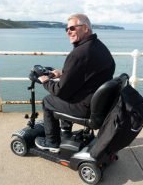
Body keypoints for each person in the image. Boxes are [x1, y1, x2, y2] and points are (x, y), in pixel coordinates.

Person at [35, 13, 115, 153]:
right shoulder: (99, 46)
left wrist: (45, 81)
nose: (68, 32)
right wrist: (62, 73)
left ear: (85, 28)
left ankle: (51, 142)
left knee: (48, 101)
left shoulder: (78, 53)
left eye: (72, 28)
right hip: (100, 105)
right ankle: (65, 132)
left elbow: (60, 90)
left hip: (86, 108)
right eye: (66, 29)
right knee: (66, 94)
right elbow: (88, 73)